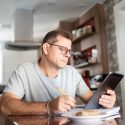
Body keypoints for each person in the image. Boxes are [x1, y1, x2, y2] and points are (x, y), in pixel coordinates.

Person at [0, 30, 116, 115]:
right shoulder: (24, 71)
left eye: (69, 50)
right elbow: (5, 105)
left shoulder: (72, 72)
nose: (67, 54)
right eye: (62, 49)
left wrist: (105, 101)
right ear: (46, 48)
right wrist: (48, 107)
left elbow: (92, 101)